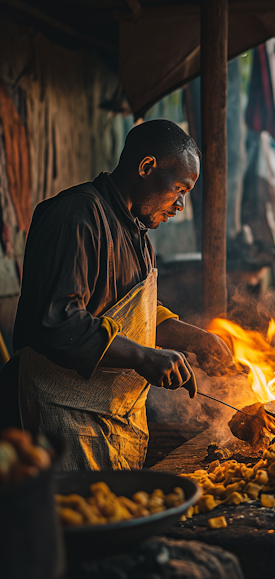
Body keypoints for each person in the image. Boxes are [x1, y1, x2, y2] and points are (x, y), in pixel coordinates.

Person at [0, 119, 235, 470]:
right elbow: (60, 321)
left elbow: (136, 313)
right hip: (61, 416)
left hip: (109, 417)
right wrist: (143, 357)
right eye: (180, 189)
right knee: (79, 522)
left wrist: (198, 340)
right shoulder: (77, 215)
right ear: (146, 167)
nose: (180, 205)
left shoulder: (136, 231)